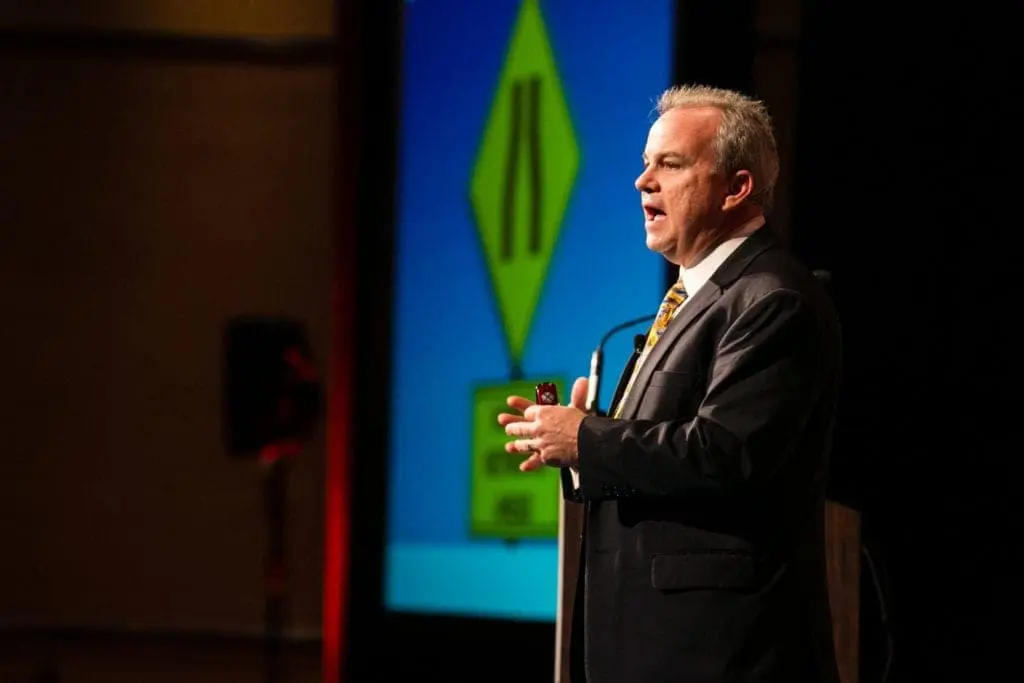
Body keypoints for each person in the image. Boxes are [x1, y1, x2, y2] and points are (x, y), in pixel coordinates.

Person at [499, 84, 842, 683]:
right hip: (650, 641)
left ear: (736, 188)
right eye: (644, 164)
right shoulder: (692, 299)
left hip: (717, 651)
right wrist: (580, 442)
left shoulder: (772, 299)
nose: (643, 182)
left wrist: (589, 440)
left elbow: (724, 452)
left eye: (671, 164)